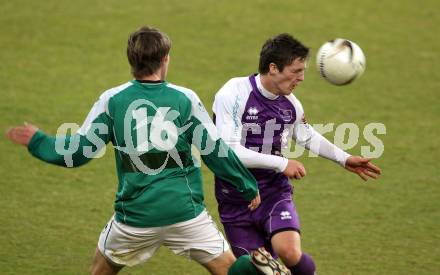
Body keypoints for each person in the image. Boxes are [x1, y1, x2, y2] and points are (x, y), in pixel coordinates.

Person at [5, 26, 290, 275]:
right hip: (185, 213)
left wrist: (38, 140)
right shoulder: (184, 99)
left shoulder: (113, 100)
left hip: (135, 218)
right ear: (165, 59)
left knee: (100, 271)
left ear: (131, 61)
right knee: (229, 270)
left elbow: (78, 151)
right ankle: (254, 266)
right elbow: (214, 151)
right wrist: (245, 183)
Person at [212, 33, 382, 275]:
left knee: (289, 252)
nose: (301, 78)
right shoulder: (233, 93)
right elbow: (228, 151)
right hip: (236, 197)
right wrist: (282, 163)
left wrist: (344, 158)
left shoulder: (290, 104)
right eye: (296, 71)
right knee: (255, 269)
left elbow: (306, 135)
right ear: (273, 68)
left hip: (273, 191)